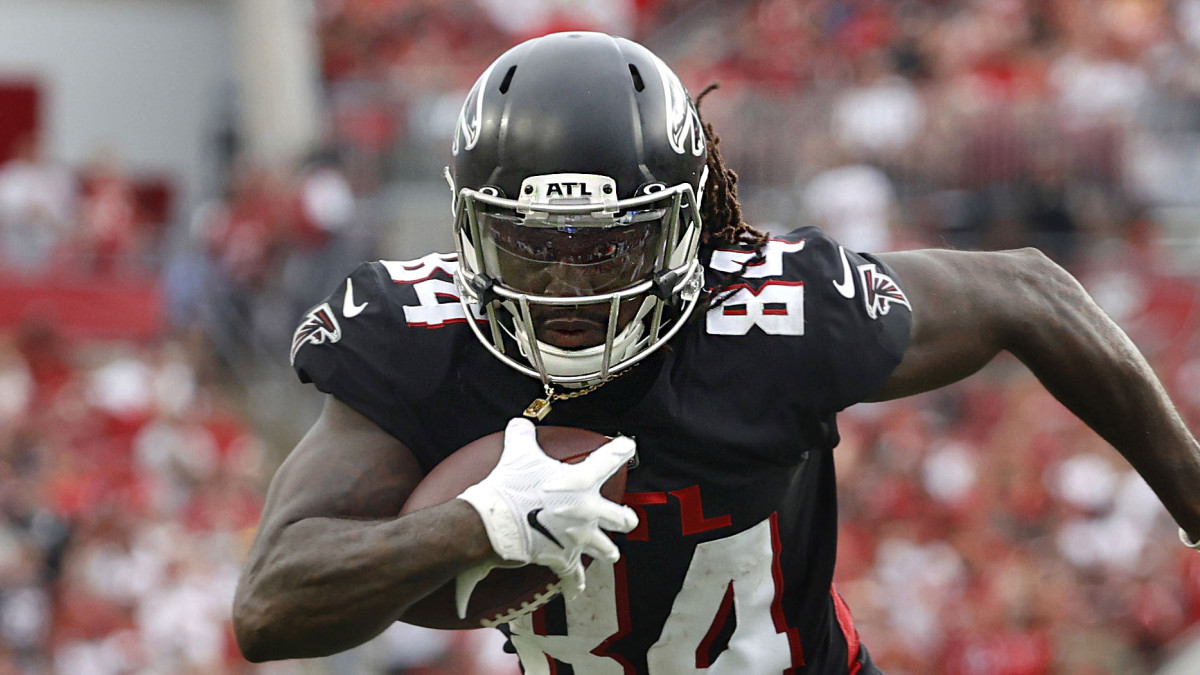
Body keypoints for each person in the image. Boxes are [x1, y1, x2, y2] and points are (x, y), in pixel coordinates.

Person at [232, 32, 1200, 674]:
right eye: (529, 245)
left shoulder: (774, 315)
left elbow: (1030, 290)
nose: (567, 287)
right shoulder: (416, 340)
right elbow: (270, 606)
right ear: (469, 231)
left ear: (688, 225)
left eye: (608, 246)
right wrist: (475, 525)